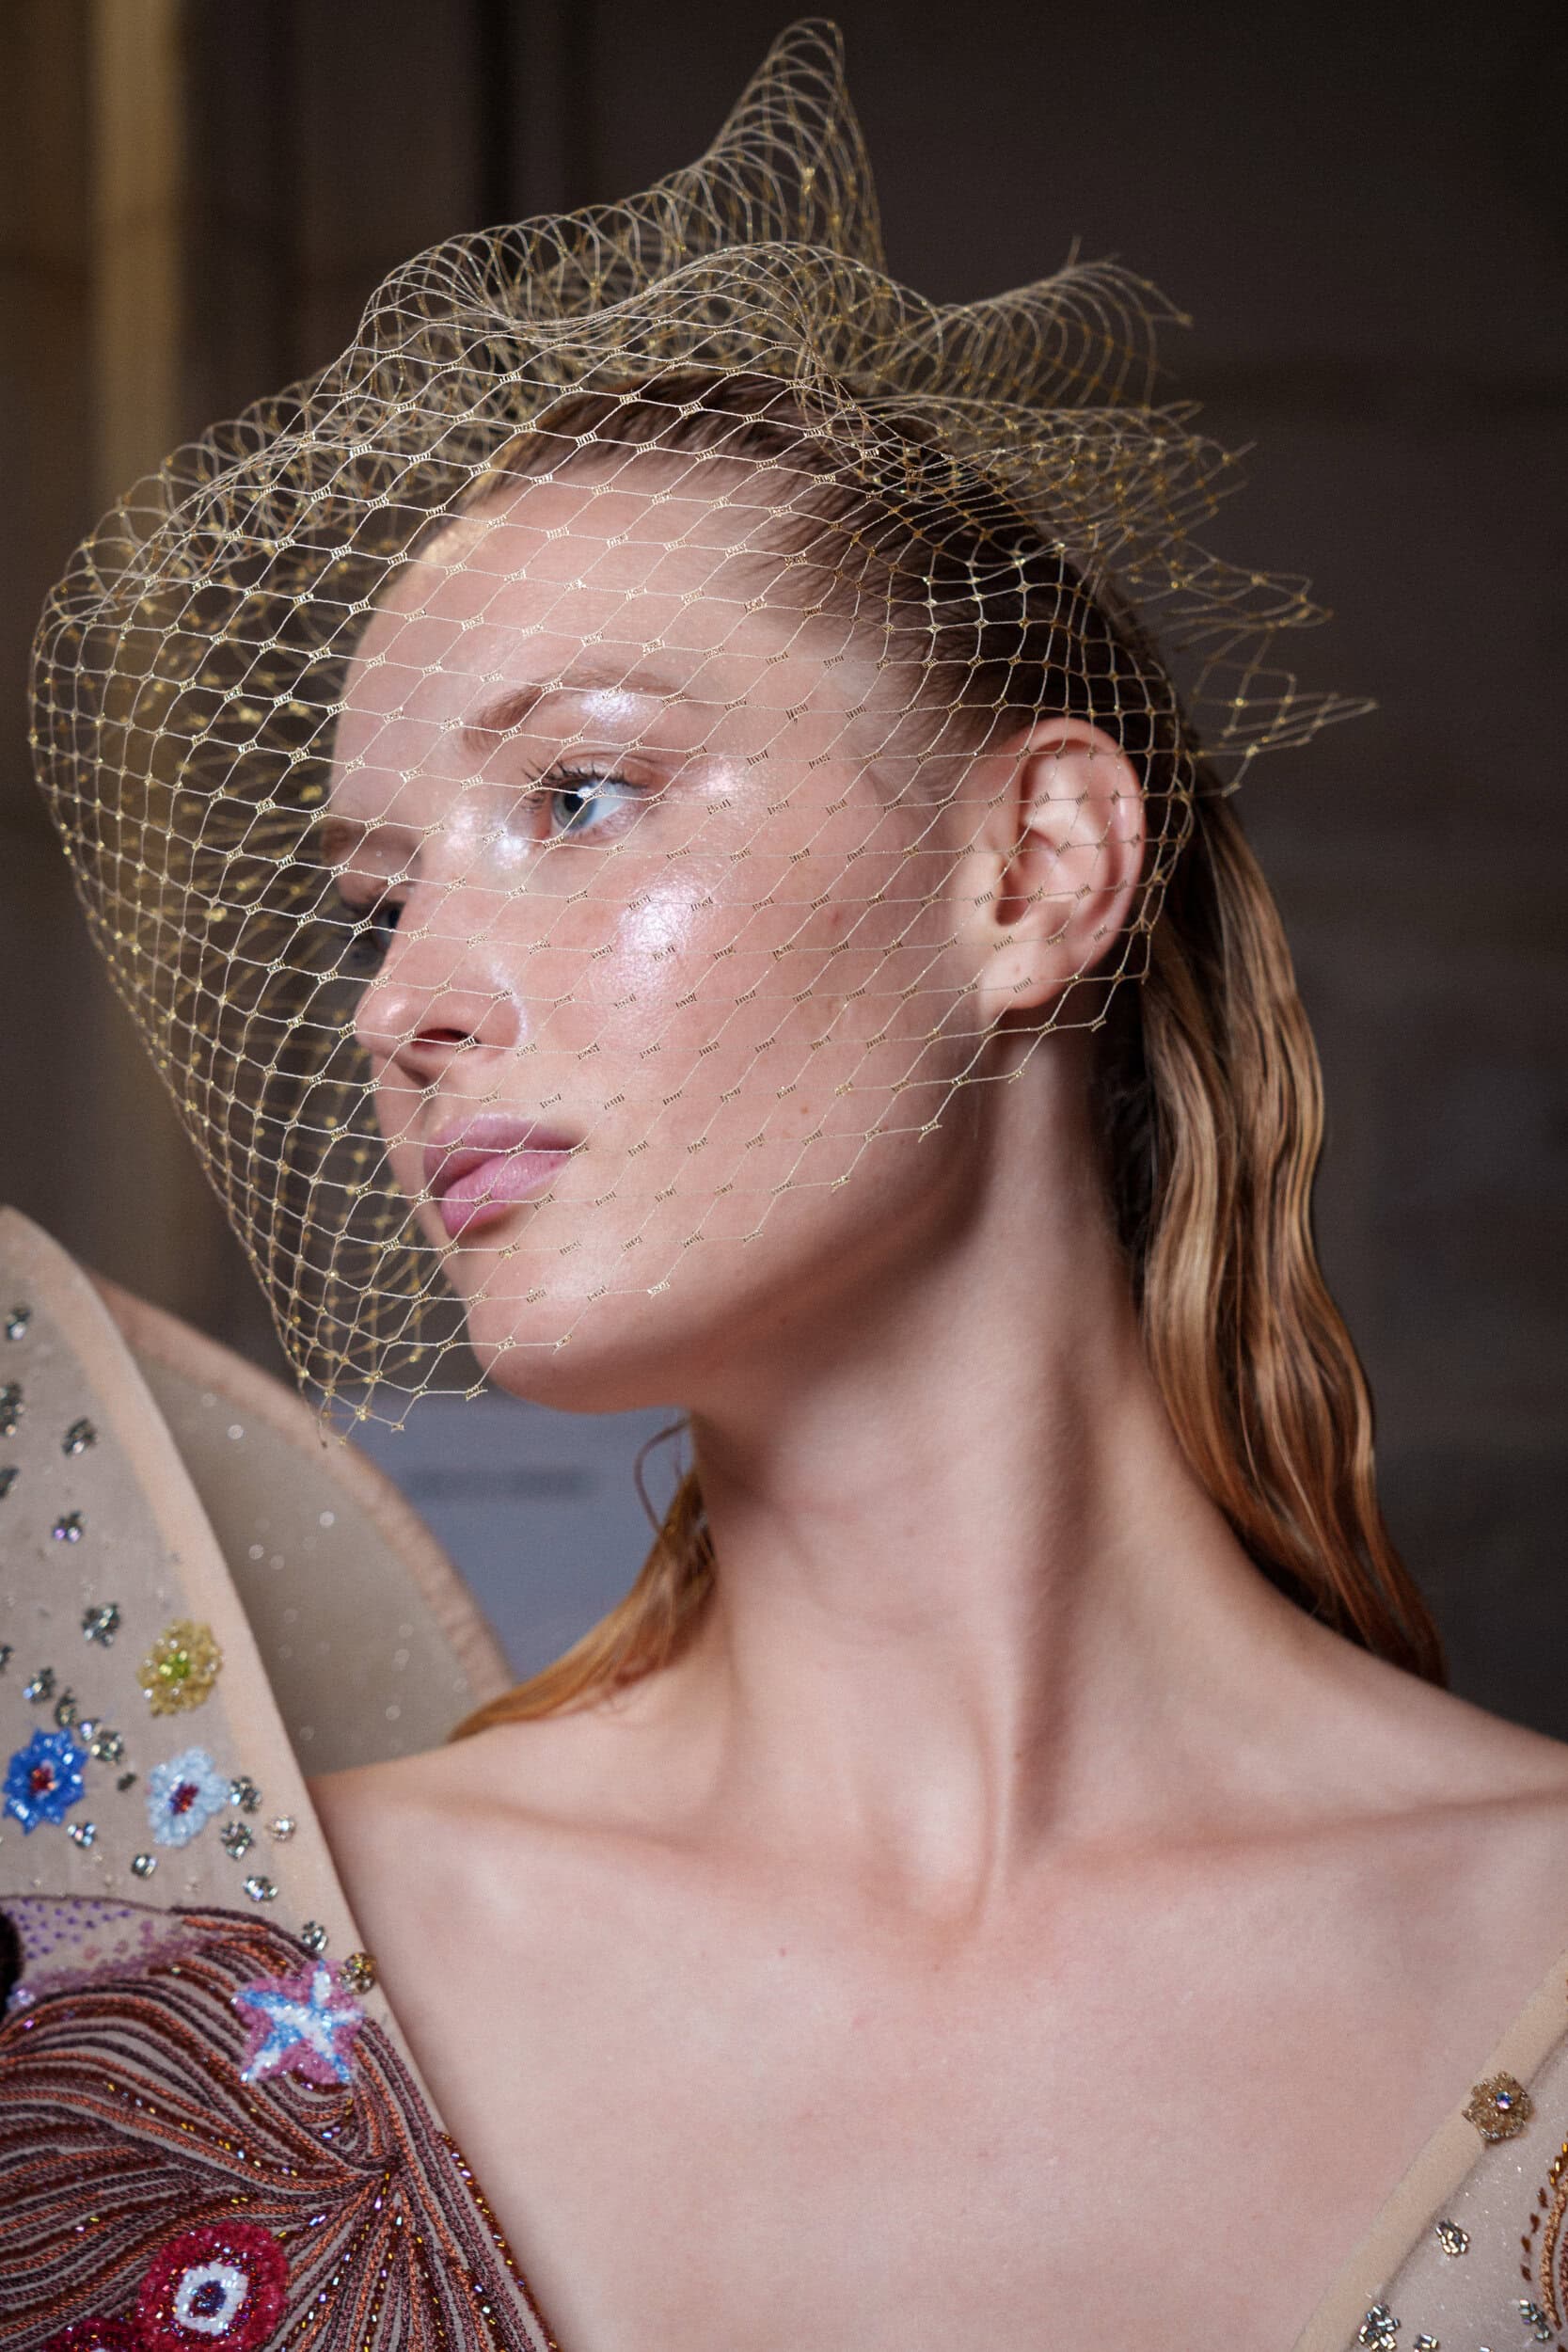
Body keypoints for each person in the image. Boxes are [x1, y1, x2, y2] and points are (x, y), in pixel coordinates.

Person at [5, 24, 1566, 2352]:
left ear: (1031, 868)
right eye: (375, 900)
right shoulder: (219, 2010)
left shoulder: (1534, 1934)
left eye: (578, 798)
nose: (400, 1002)